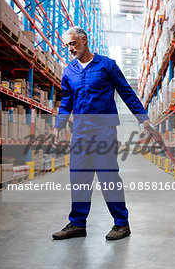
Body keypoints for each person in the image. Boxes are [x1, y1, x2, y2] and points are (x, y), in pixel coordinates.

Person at [51, 26, 149, 240]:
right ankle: (77, 224)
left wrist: (143, 117)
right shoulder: (69, 71)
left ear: (84, 40)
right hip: (80, 133)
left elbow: (126, 92)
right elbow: (66, 101)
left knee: (108, 177)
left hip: (103, 131)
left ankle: (122, 224)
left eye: (73, 43)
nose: (70, 49)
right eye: (67, 45)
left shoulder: (107, 65)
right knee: (79, 177)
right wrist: (58, 126)